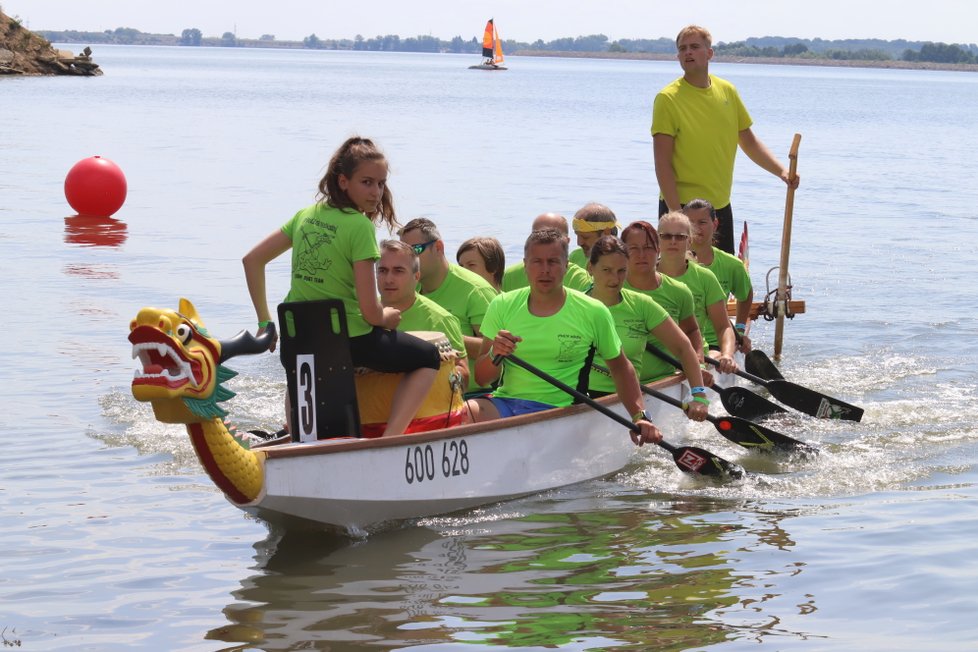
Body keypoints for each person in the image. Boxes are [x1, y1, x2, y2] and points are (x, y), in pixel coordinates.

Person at [242, 136, 438, 437]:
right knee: (428, 357)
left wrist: (265, 322)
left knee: (299, 369)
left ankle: (298, 443)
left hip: (298, 339)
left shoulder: (305, 216)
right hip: (346, 343)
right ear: (343, 181)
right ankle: (391, 440)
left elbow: (252, 260)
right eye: (367, 182)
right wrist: (387, 317)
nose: (376, 192)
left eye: (381, 184)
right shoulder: (359, 227)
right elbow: (370, 313)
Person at [466, 229, 661, 447]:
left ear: (566, 265)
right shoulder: (502, 305)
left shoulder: (593, 311)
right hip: (505, 402)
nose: (545, 270)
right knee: (461, 415)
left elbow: (620, 368)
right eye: (537, 262)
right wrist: (495, 354)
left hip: (561, 410)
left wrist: (639, 416)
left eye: (553, 262)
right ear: (525, 265)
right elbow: (482, 378)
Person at [651, 24, 799, 254]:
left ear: (709, 53)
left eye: (694, 47)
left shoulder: (727, 91)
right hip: (681, 207)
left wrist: (781, 171)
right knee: (682, 280)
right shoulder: (667, 98)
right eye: (682, 48)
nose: (688, 52)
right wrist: (675, 215)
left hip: (719, 206)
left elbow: (749, 141)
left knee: (722, 282)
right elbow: (662, 163)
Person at [584, 236, 709, 421]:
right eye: (606, 270)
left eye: (621, 271)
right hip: (579, 396)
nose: (614, 278)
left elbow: (683, 347)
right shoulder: (574, 304)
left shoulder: (641, 305)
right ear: (590, 269)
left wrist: (699, 396)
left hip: (628, 398)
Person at [397, 217, 498, 362]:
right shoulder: (405, 287)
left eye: (415, 250)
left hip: (468, 384)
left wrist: (439, 338)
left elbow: (496, 350)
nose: (408, 260)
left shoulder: (475, 290)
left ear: (438, 247)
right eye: (404, 254)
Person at [621, 220, 707, 384]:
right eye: (633, 249)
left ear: (658, 249)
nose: (641, 255)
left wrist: (698, 363)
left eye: (648, 248)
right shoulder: (610, 290)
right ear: (622, 253)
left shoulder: (679, 291)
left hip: (664, 381)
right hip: (617, 384)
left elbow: (691, 331)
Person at [377, 240, 469, 388]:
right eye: (382, 271)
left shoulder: (441, 319)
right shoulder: (361, 313)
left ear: (417, 276)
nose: (388, 279)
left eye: (398, 271)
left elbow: (463, 375)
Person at [657, 211, 738, 374]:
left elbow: (723, 327)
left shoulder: (705, 278)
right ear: (657, 240)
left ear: (689, 241)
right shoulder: (644, 275)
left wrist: (727, 355)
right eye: (666, 236)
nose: (673, 241)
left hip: (695, 355)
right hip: (655, 358)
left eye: (680, 237)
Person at [685, 198, 754, 353]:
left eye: (702, 222)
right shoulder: (671, 263)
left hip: (717, 341)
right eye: (691, 222)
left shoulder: (732, 265)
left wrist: (741, 328)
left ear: (714, 224)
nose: (696, 228)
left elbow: (746, 294)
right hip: (681, 341)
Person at [501, 213, 592, 292]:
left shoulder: (580, 279)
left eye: (554, 237)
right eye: (540, 237)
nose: (545, 270)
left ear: (567, 242)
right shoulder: (508, 276)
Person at [570, 202, 619, 269]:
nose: (579, 243)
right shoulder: (575, 257)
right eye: (577, 235)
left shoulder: (625, 264)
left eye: (585, 237)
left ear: (606, 233)